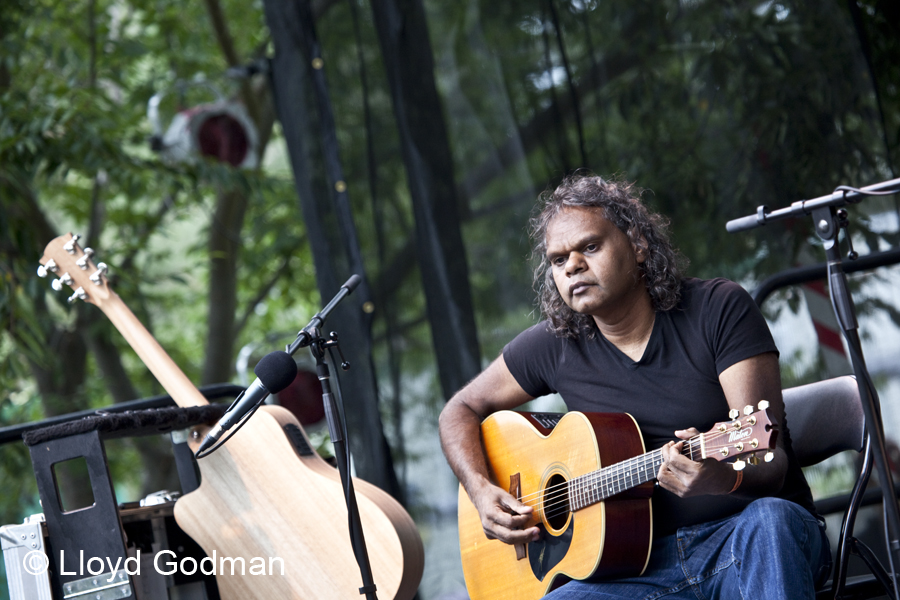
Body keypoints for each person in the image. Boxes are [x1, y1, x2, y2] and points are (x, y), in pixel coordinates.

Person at [438, 174, 831, 599]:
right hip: (641, 571)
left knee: (770, 522)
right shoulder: (554, 346)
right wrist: (481, 491)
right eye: (558, 260)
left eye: (589, 247)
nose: (572, 266)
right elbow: (458, 411)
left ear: (638, 245)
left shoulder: (719, 309)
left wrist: (721, 477)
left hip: (746, 538)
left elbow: (768, 459)